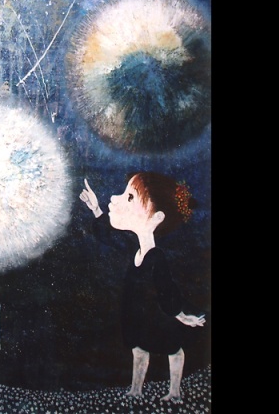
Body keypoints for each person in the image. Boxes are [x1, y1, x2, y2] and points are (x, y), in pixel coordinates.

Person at [80, 172, 206, 402]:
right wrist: (96, 209)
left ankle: (174, 392)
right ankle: (136, 390)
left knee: (173, 349)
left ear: (157, 218)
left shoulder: (156, 256)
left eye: (130, 197)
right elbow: (110, 237)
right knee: (138, 349)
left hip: (161, 316)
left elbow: (167, 290)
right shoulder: (134, 247)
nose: (115, 198)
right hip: (139, 316)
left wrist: (181, 315)